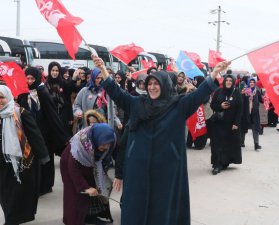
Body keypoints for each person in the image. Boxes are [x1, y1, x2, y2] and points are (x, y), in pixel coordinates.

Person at [93, 56, 229, 225]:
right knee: (136, 207)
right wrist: (103, 70)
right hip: (138, 169)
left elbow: (199, 94)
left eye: (156, 84)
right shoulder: (137, 104)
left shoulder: (179, 106)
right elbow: (117, 93)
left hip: (166, 170)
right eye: (149, 84)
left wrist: (215, 72)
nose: (152, 87)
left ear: (164, 85)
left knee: (163, 210)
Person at [0, 85, 49, 225]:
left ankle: (12, 220)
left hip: (20, 163)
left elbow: (35, 135)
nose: (0, 101)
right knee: (5, 194)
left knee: (15, 195)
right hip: (2, 163)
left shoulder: (20, 113)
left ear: (8, 97)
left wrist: (43, 155)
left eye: (2, 97)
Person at [19, 67, 70, 195]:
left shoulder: (42, 92)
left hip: (45, 133)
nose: (29, 81)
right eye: (27, 78)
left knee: (46, 159)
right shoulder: (23, 93)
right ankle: (34, 185)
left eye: (32, 78)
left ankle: (46, 185)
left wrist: (62, 136)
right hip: (29, 132)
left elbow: (52, 115)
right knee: (32, 160)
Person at [60, 123, 116, 225]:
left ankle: (90, 216)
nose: (106, 147)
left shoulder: (109, 141)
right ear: (96, 139)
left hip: (91, 164)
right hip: (69, 165)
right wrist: (85, 187)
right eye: (103, 144)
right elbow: (73, 169)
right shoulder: (80, 144)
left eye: (108, 144)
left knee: (96, 189)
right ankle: (74, 219)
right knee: (76, 194)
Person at [210, 74, 243, 175]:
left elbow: (240, 109)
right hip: (218, 123)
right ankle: (217, 164)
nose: (228, 82)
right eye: (227, 80)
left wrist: (236, 123)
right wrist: (220, 106)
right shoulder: (218, 91)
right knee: (217, 144)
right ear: (224, 81)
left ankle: (224, 162)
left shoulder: (236, 93)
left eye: (230, 80)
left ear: (233, 82)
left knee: (227, 144)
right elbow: (212, 105)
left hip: (230, 124)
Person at [241, 77, 263, 150]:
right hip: (246, 113)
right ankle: (242, 142)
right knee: (243, 128)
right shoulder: (246, 90)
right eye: (250, 82)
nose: (252, 83)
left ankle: (256, 144)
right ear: (248, 83)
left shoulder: (257, 91)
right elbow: (242, 101)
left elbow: (261, 100)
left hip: (254, 113)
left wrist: (265, 98)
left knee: (255, 129)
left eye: (253, 82)